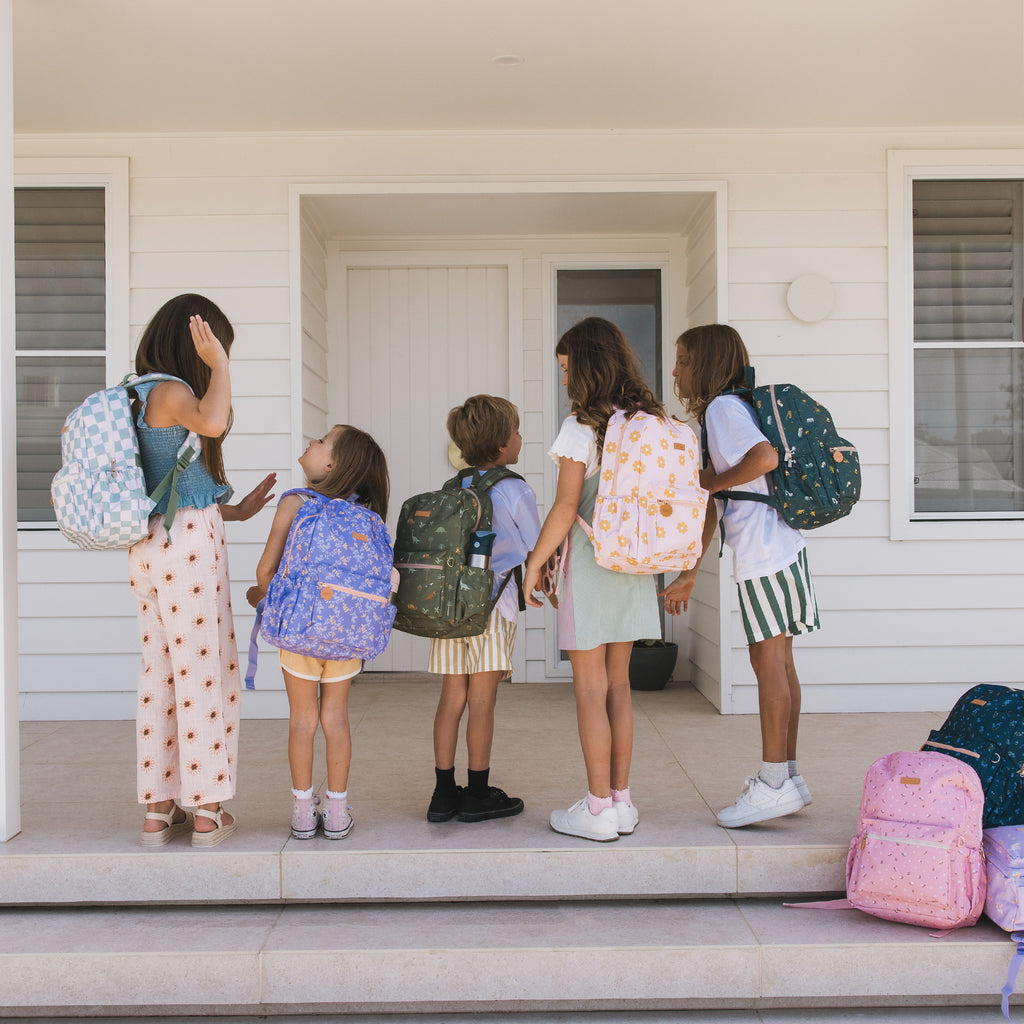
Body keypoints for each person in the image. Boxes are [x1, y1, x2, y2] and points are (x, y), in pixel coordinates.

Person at [129, 293, 276, 848]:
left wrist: (234, 510)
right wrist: (220, 365)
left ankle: (158, 808)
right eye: (216, 345)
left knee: (162, 674)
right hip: (186, 547)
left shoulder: (136, 393)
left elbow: (173, 478)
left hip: (150, 542)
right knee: (203, 671)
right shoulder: (172, 390)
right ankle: (209, 809)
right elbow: (214, 422)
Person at [662, 323, 819, 828]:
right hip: (779, 545)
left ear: (704, 363)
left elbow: (762, 460)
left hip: (764, 551)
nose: (675, 371)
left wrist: (708, 478)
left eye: (683, 360)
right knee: (778, 662)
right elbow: (718, 502)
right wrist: (689, 572)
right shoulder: (733, 409)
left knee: (769, 662)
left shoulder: (722, 409)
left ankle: (774, 782)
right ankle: (788, 776)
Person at [521, 318, 663, 843]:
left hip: (590, 560)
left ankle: (598, 809)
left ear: (587, 365)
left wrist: (535, 562)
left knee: (589, 687)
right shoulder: (647, 421)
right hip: (634, 564)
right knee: (619, 684)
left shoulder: (581, 426)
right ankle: (622, 801)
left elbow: (564, 506)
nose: (563, 381)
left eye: (565, 369)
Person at [246, 425, 390, 841]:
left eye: (322, 440)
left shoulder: (295, 502)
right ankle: (338, 810)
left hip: (299, 629)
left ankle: (303, 814)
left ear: (331, 465)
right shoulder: (369, 516)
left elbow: (264, 572)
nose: (312, 440)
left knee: (302, 720)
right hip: (347, 635)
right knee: (336, 719)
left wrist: (262, 595)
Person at [427, 396, 542, 824]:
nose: (520, 438)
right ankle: (477, 792)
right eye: (515, 431)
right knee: (483, 700)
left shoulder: (452, 488)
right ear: (500, 447)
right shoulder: (514, 488)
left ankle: (442, 794)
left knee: (451, 698)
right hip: (494, 609)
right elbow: (536, 546)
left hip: (449, 609)